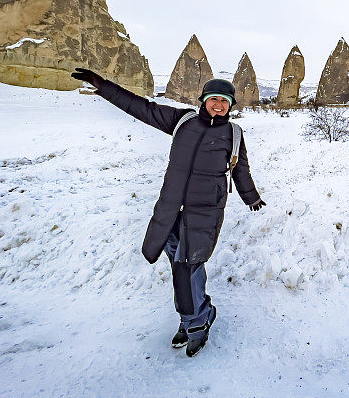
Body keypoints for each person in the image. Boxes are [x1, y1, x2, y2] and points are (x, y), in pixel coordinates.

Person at [71, 67, 265, 357]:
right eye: (214, 99)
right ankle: (196, 315)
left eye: (225, 101)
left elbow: (241, 169)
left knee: (189, 265)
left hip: (205, 213)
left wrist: (251, 197)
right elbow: (141, 108)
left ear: (230, 106)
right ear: (204, 100)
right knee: (180, 266)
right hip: (171, 209)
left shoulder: (233, 134)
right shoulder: (182, 121)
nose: (219, 105)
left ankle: (196, 324)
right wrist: (103, 86)